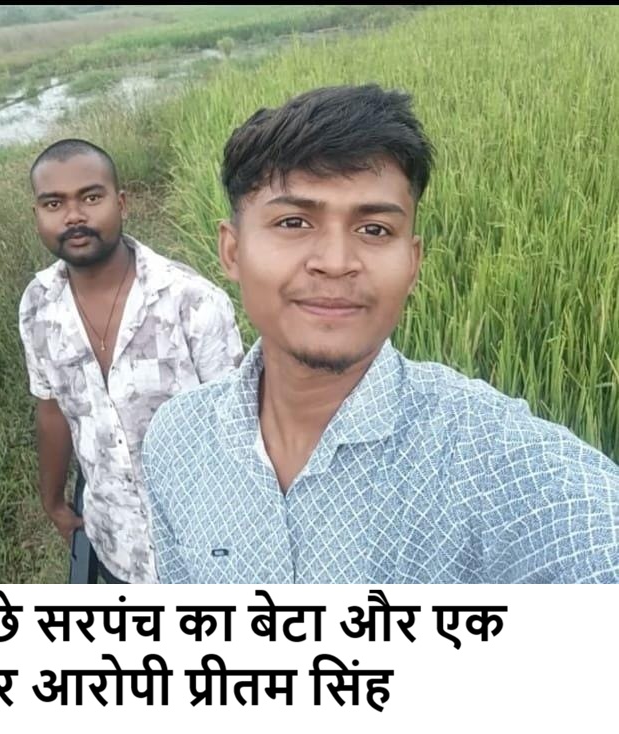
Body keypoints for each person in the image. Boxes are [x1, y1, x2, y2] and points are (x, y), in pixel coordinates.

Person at [141, 85, 619, 584]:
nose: (336, 262)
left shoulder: (489, 456)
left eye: (374, 230)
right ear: (233, 251)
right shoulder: (178, 440)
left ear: (412, 263)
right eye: (294, 221)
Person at [19, 138, 243, 583]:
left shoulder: (191, 301)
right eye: (54, 204)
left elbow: (241, 427)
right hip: (114, 543)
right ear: (37, 215)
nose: (73, 216)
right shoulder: (37, 306)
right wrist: (53, 502)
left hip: (209, 550)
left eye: (91, 197)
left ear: (121, 203)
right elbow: (52, 410)